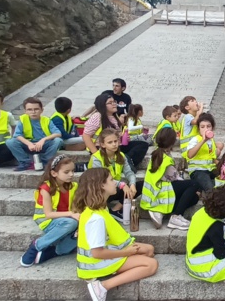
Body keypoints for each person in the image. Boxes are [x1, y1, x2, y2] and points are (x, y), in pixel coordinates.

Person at [74, 168, 158, 301]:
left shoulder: (99, 207)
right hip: (94, 264)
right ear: (102, 185)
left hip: (104, 254)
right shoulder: (96, 218)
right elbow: (97, 253)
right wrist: (126, 253)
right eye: (111, 180)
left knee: (149, 250)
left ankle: (117, 269)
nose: (115, 183)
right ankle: (102, 286)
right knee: (151, 264)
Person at [21, 155, 78, 266]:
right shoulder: (46, 189)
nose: (71, 174)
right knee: (71, 222)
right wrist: (71, 214)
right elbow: (48, 214)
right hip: (47, 221)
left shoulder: (74, 186)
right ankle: (37, 245)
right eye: (66, 172)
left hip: (66, 219)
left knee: (85, 228)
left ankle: (55, 252)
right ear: (54, 173)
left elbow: (76, 206)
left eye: (73, 171)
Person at [141, 127, 199, 230]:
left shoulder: (156, 153)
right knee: (194, 184)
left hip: (153, 193)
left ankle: (160, 212)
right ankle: (176, 216)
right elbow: (174, 178)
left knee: (194, 197)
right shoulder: (166, 160)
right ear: (172, 142)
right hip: (160, 192)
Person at [82, 94, 149, 173]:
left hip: (116, 145)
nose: (114, 104)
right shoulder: (97, 116)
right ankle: (126, 163)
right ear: (102, 105)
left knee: (142, 145)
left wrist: (122, 136)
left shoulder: (114, 116)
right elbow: (86, 136)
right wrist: (96, 154)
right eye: (110, 103)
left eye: (114, 101)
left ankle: (127, 162)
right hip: (102, 148)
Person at [87, 129, 137, 221]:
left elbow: (129, 173)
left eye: (115, 141)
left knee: (139, 186)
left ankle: (115, 209)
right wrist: (122, 185)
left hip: (113, 188)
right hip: (99, 191)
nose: (114, 144)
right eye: (110, 142)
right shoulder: (96, 158)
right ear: (102, 144)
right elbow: (101, 180)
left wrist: (132, 184)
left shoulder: (121, 155)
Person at [6, 97, 63, 171]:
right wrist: (29, 144)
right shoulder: (23, 120)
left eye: (36, 109)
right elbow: (17, 135)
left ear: (41, 110)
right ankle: (25, 163)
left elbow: (58, 133)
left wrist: (43, 139)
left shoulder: (47, 120)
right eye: (29, 109)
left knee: (58, 140)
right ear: (25, 111)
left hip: (43, 144)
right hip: (29, 145)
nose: (33, 112)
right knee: (10, 141)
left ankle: (45, 162)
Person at [186, 113, 223, 193]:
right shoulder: (195, 139)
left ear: (212, 128)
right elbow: (190, 155)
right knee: (210, 188)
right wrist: (203, 141)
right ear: (199, 129)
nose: (205, 129)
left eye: (208, 126)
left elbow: (213, 158)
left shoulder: (212, 141)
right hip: (198, 171)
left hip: (210, 169)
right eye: (202, 127)